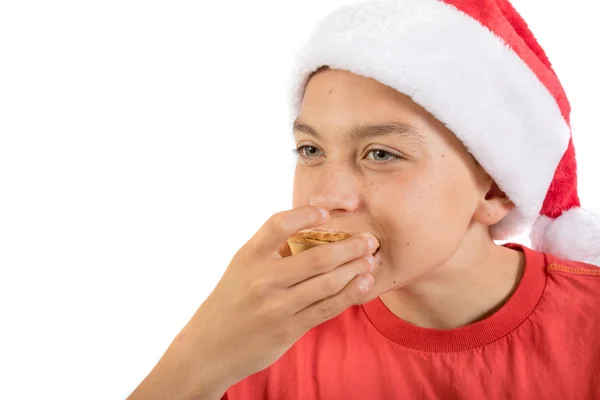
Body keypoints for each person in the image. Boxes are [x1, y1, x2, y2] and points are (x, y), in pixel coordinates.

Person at [128, 0, 600, 398]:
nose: (328, 197)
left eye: (380, 153)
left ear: (494, 189)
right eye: (311, 150)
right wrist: (199, 360)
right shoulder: (265, 338)